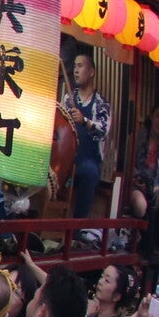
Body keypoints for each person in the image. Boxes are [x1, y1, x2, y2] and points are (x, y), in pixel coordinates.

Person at [63, 49, 112, 220]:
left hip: (89, 159)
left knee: (90, 172)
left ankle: (77, 226)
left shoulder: (101, 103)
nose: (76, 70)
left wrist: (84, 121)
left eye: (80, 66)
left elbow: (103, 131)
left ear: (91, 72)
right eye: (75, 66)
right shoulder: (68, 99)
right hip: (68, 156)